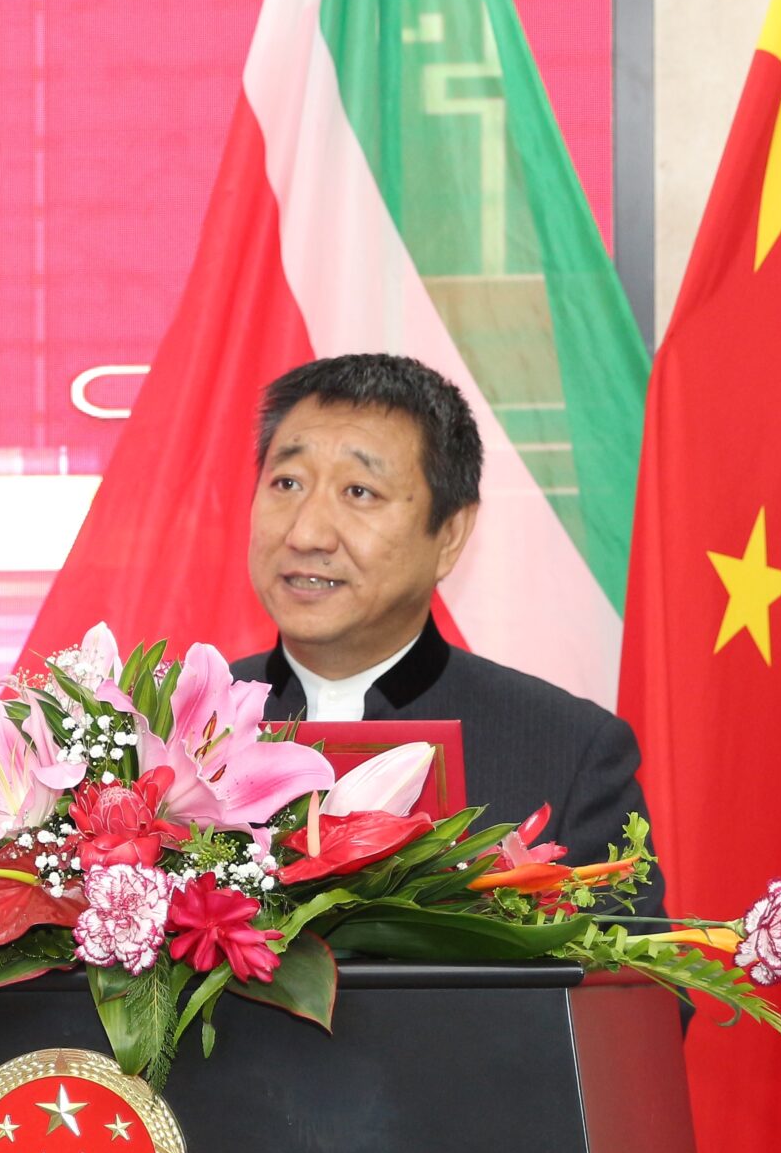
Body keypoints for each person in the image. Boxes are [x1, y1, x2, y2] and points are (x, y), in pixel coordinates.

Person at [231, 353, 663, 906]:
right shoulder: (175, 735)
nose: (307, 533)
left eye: (359, 491)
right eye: (287, 482)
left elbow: (627, 964)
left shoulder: (568, 753)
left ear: (451, 534)